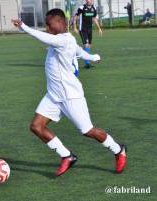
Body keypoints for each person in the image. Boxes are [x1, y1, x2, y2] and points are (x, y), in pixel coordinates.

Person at [11, 8, 126, 177]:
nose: (47, 28)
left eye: (49, 24)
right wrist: (93, 57)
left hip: (71, 96)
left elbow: (42, 37)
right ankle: (67, 156)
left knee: (88, 131)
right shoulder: (69, 40)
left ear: (59, 23)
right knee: (36, 126)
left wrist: (24, 27)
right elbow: (79, 52)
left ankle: (118, 150)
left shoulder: (62, 40)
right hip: (53, 95)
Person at [73, 0, 102, 69]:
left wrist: (99, 28)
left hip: (89, 29)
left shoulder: (94, 8)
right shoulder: (82, 7)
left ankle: (85, 60)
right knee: (86, 44)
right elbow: (75, 16)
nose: (88, 0)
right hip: (83, 29)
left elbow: (94, 19)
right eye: (87, 0)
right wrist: (74, 27)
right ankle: (87, 63)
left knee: (89, 46)